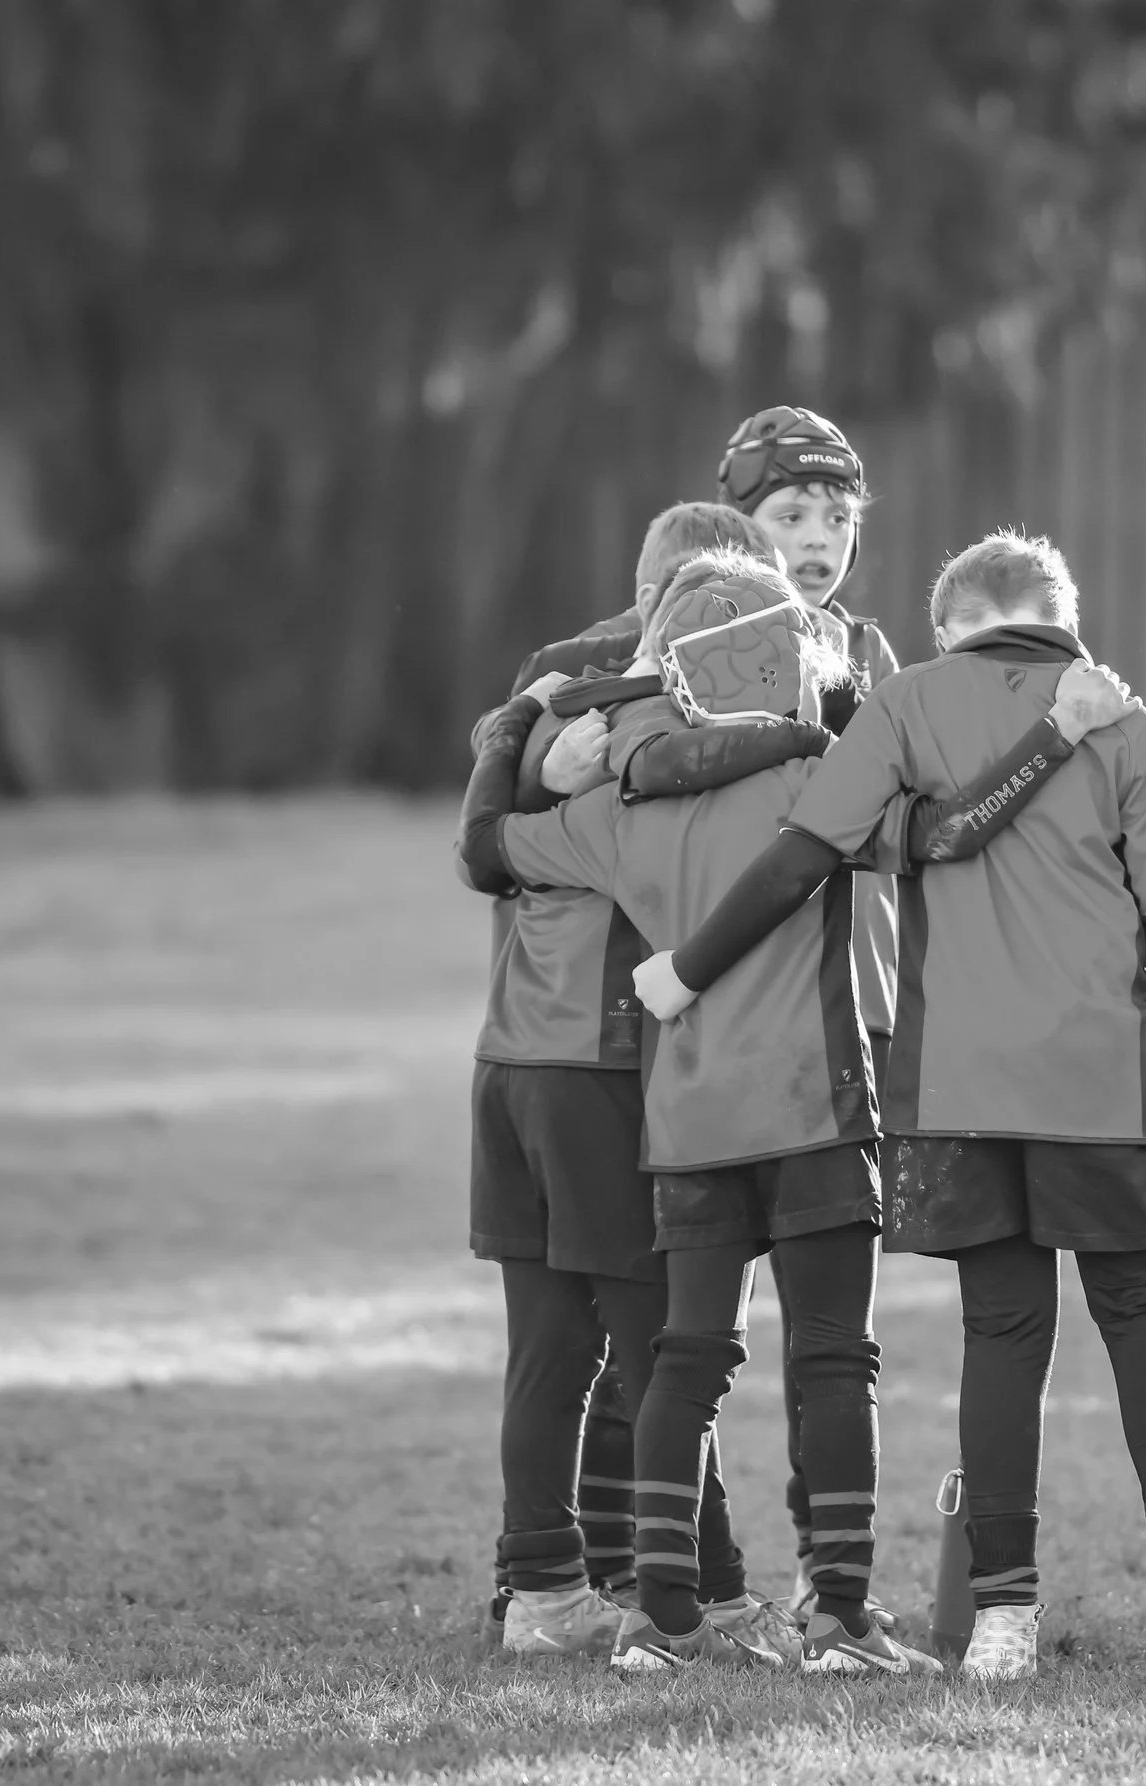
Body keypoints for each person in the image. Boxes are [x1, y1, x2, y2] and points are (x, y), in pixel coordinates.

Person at [638, 531, 1146, 1689]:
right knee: (1144, 1308)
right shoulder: (1120, 719)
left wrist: (687, 968)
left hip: (956, 1092)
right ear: (1060, 611)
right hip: (1103, 1082)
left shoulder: (903, 705)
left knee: (1003, 1332)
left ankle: (1002, 1618)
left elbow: (803, 859)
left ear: (951, 626)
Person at [459, 551, 1135, 1673]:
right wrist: (1057, 732)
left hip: (683, 1121)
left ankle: (661, 1622)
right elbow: (953, 832)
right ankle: (841, 1621)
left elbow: (488, 850)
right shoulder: (822, 779)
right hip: (815, 1110)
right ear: (790, 664)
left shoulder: (612, 813)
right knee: (833, 1358)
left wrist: (507, 736)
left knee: (684, 1357)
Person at [462, 501, 794, 1659]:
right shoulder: (624, 723)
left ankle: (548, 1586)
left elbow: (485, 847)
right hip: (598, 1065)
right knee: (667, 1344)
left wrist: (513, 753)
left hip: (517, 1058)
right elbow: (498, 848)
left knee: (561, 1345)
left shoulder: (569, 703)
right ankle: (689, 1594)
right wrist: (525, 751)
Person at [714, 406, 912, 1609]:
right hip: (716, 1033)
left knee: (836, 1338)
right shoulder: (693, 655)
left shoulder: (873, 658)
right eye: (790, 515)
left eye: (838, 517)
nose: (819, 537)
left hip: (850, 1028)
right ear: (734, 528)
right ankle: (686, 1584)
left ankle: (835, 1593)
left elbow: (896, 822)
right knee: (687, 1338)